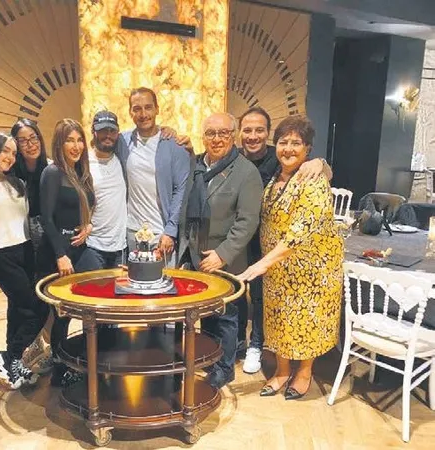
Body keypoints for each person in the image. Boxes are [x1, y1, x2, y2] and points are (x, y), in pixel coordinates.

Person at [238, 115, 343, 400]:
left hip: (310, 269)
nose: (288, 149)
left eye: (296, 143)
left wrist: (262, 263)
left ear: (307, 148)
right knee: (278, 319)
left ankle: (304, 372)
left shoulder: (313, 180)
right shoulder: (276, 176)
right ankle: (282, 371)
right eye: (283, 142)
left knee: (306, 322)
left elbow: (302, 229)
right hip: (278, 268)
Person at [178, 112, 263, 389]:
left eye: (223, 133)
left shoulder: (246, 172)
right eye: (211, 133)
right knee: (207, 315)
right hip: (196, 255)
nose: (217, 139)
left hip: (225, 258)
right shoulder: (196, 166)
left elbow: (247, 221)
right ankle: (210, 358)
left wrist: (222, 254)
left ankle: (224, 368)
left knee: (226, 315)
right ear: (203, 137)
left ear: (233, 136)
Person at [0, 131, 48, 390]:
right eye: (5, 150)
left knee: (17, 310)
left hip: (26, 249)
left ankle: (13, 363)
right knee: (35, 309)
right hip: (2, 254)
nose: (10, 157)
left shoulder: (16, 183)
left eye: (14, 153)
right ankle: (9, 356)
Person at [38, 118, 96, 387]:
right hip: (58, 252)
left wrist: (88, 226)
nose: (76, 146)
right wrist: (60, 255)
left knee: (90, 303)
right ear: (59, 144)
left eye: (79, 140)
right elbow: (47, 219)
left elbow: (86, 208)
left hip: (80, 247)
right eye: (69, 140)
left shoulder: (80, 172)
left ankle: (85, 359)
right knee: (62, 314)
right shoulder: (52, 173)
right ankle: (60, 369)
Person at [117, 87, 191, 265]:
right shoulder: (122, 142)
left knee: (164, 281)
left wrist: (170, 231)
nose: (143, 114)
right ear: (130, 112)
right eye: (137, 109)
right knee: (134, 280)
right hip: (132, 233)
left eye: (148, 107)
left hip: (162, 234)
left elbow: (181, 190)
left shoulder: (173, 144)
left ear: (157, 109)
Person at [8, 119, 53, 374]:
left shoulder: (51, 169)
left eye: (33, 138)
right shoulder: (11, 175)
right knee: (23, 301)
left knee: (46, 299)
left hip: (46, 241)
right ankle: (18, 353)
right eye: (23, 140)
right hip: (19, 242)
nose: (30, 144)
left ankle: (44, 350)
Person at [86, 111, 128, 269]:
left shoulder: (122, 159)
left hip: (120, 248)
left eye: (112, 131)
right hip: (93, 246)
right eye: (103, 130)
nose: (108, 136)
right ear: (94, 131)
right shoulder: (84, 163)